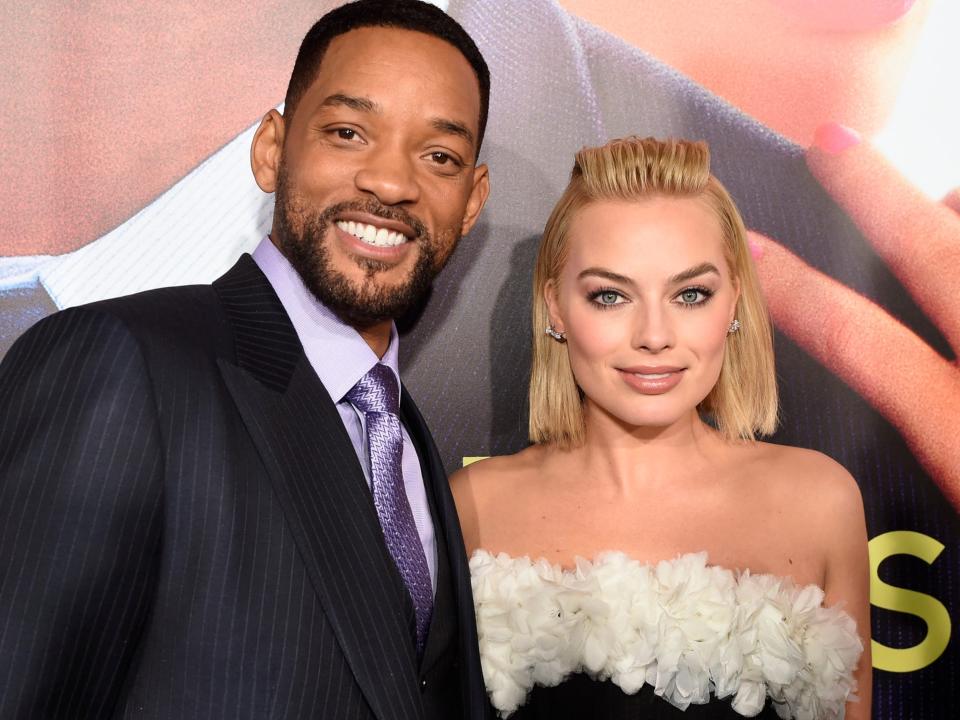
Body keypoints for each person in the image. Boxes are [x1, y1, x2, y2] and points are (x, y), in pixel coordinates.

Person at [0, 1, 491, 718]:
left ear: (471, 201)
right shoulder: (118, 363)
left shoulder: (406, 435)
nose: (390, 183)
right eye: (349, 133)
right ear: (271, 150)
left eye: (438, 155)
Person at [452, 137, 871, 719]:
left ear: (734, 304)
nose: (654, 335)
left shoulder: (820, 501)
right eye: (610, 296)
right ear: (555, 308)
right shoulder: (473, 505)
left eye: (691, 294)